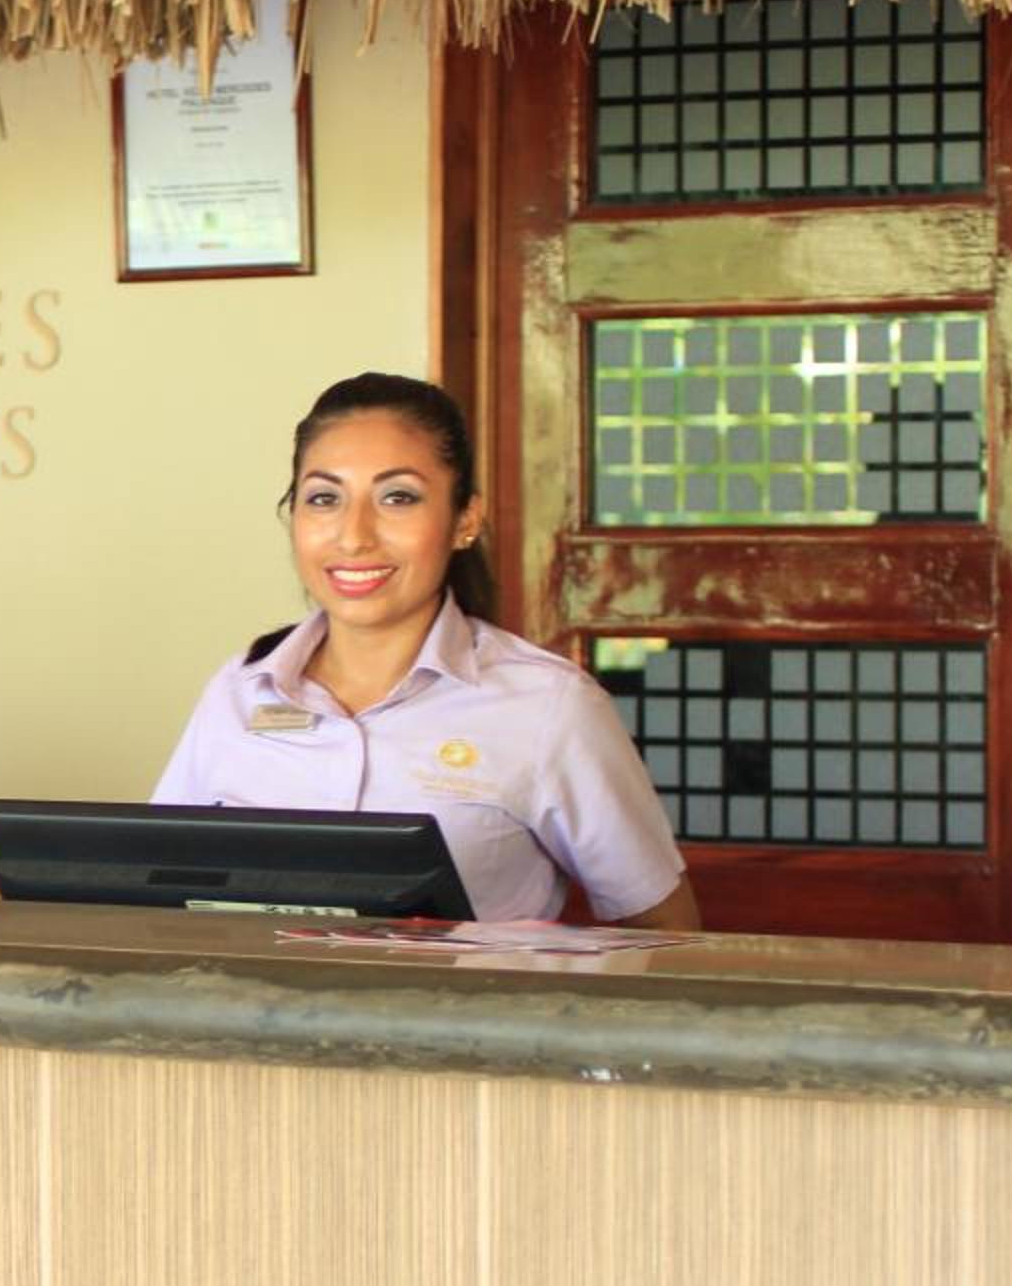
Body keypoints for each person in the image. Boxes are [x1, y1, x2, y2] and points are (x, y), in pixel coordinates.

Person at [153, 371, 698, 927]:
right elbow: (153, 889)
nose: (354, 536)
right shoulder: (239, 692)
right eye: (324, 498)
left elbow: (665, 934)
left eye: (398, 497)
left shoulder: (550, 705)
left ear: (465, 520)